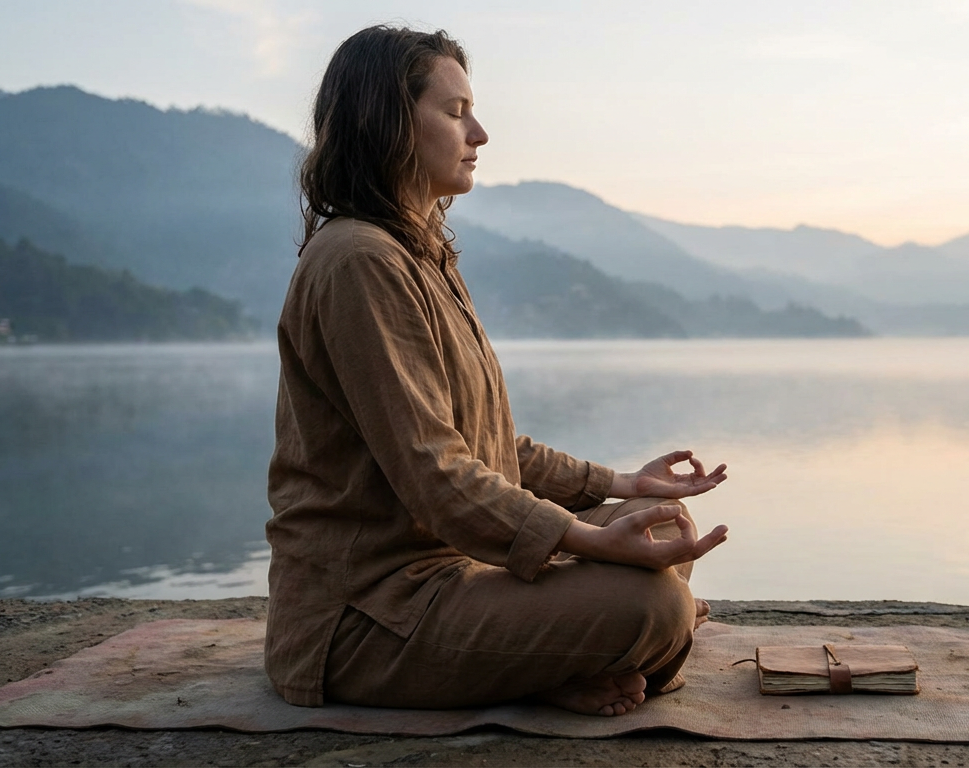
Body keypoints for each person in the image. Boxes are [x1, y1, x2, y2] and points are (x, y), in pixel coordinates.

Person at [264, 25, 729, 718]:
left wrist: (622, 485)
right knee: (655, 604)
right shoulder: (360, 262)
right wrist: (591, 541)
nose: (478, 132)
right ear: (387, 121)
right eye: (455, 113)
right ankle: (571, 658)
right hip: (368, 616)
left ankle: (550, 664)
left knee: (659, 523)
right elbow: (437, 474)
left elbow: (485, 448)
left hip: (457, 574)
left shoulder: (421, 256)